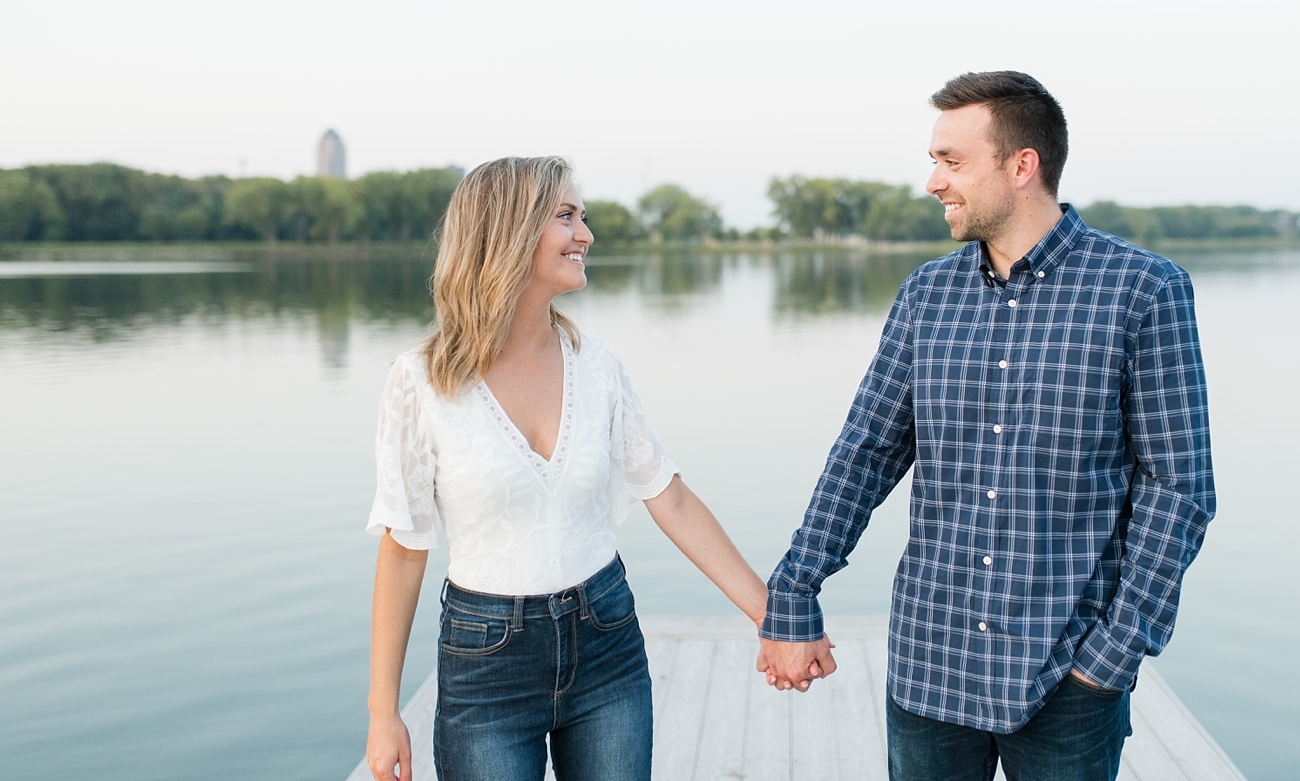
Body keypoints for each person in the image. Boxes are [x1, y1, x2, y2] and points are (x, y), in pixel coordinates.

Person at [756, 71, 1216, 781]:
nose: (934, 181)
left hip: (1068, 672)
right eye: (934, 160)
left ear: (1021, 165)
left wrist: (1114, 652)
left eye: (952, 160)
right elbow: (866, 453)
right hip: (930, 668)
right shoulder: (926, 294)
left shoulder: (1142, 290)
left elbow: (1178, 488)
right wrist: (795, 587)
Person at [364, 155, 770, 781]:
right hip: (486, 662)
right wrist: (382, 713)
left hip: (606, 639)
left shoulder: (597, 364)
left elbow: (671, 497)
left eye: (582, 216)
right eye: (566, 216)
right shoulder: (421, 381)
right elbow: (404, 547)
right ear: (508, 231)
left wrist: (771, 613)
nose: (586, 234)